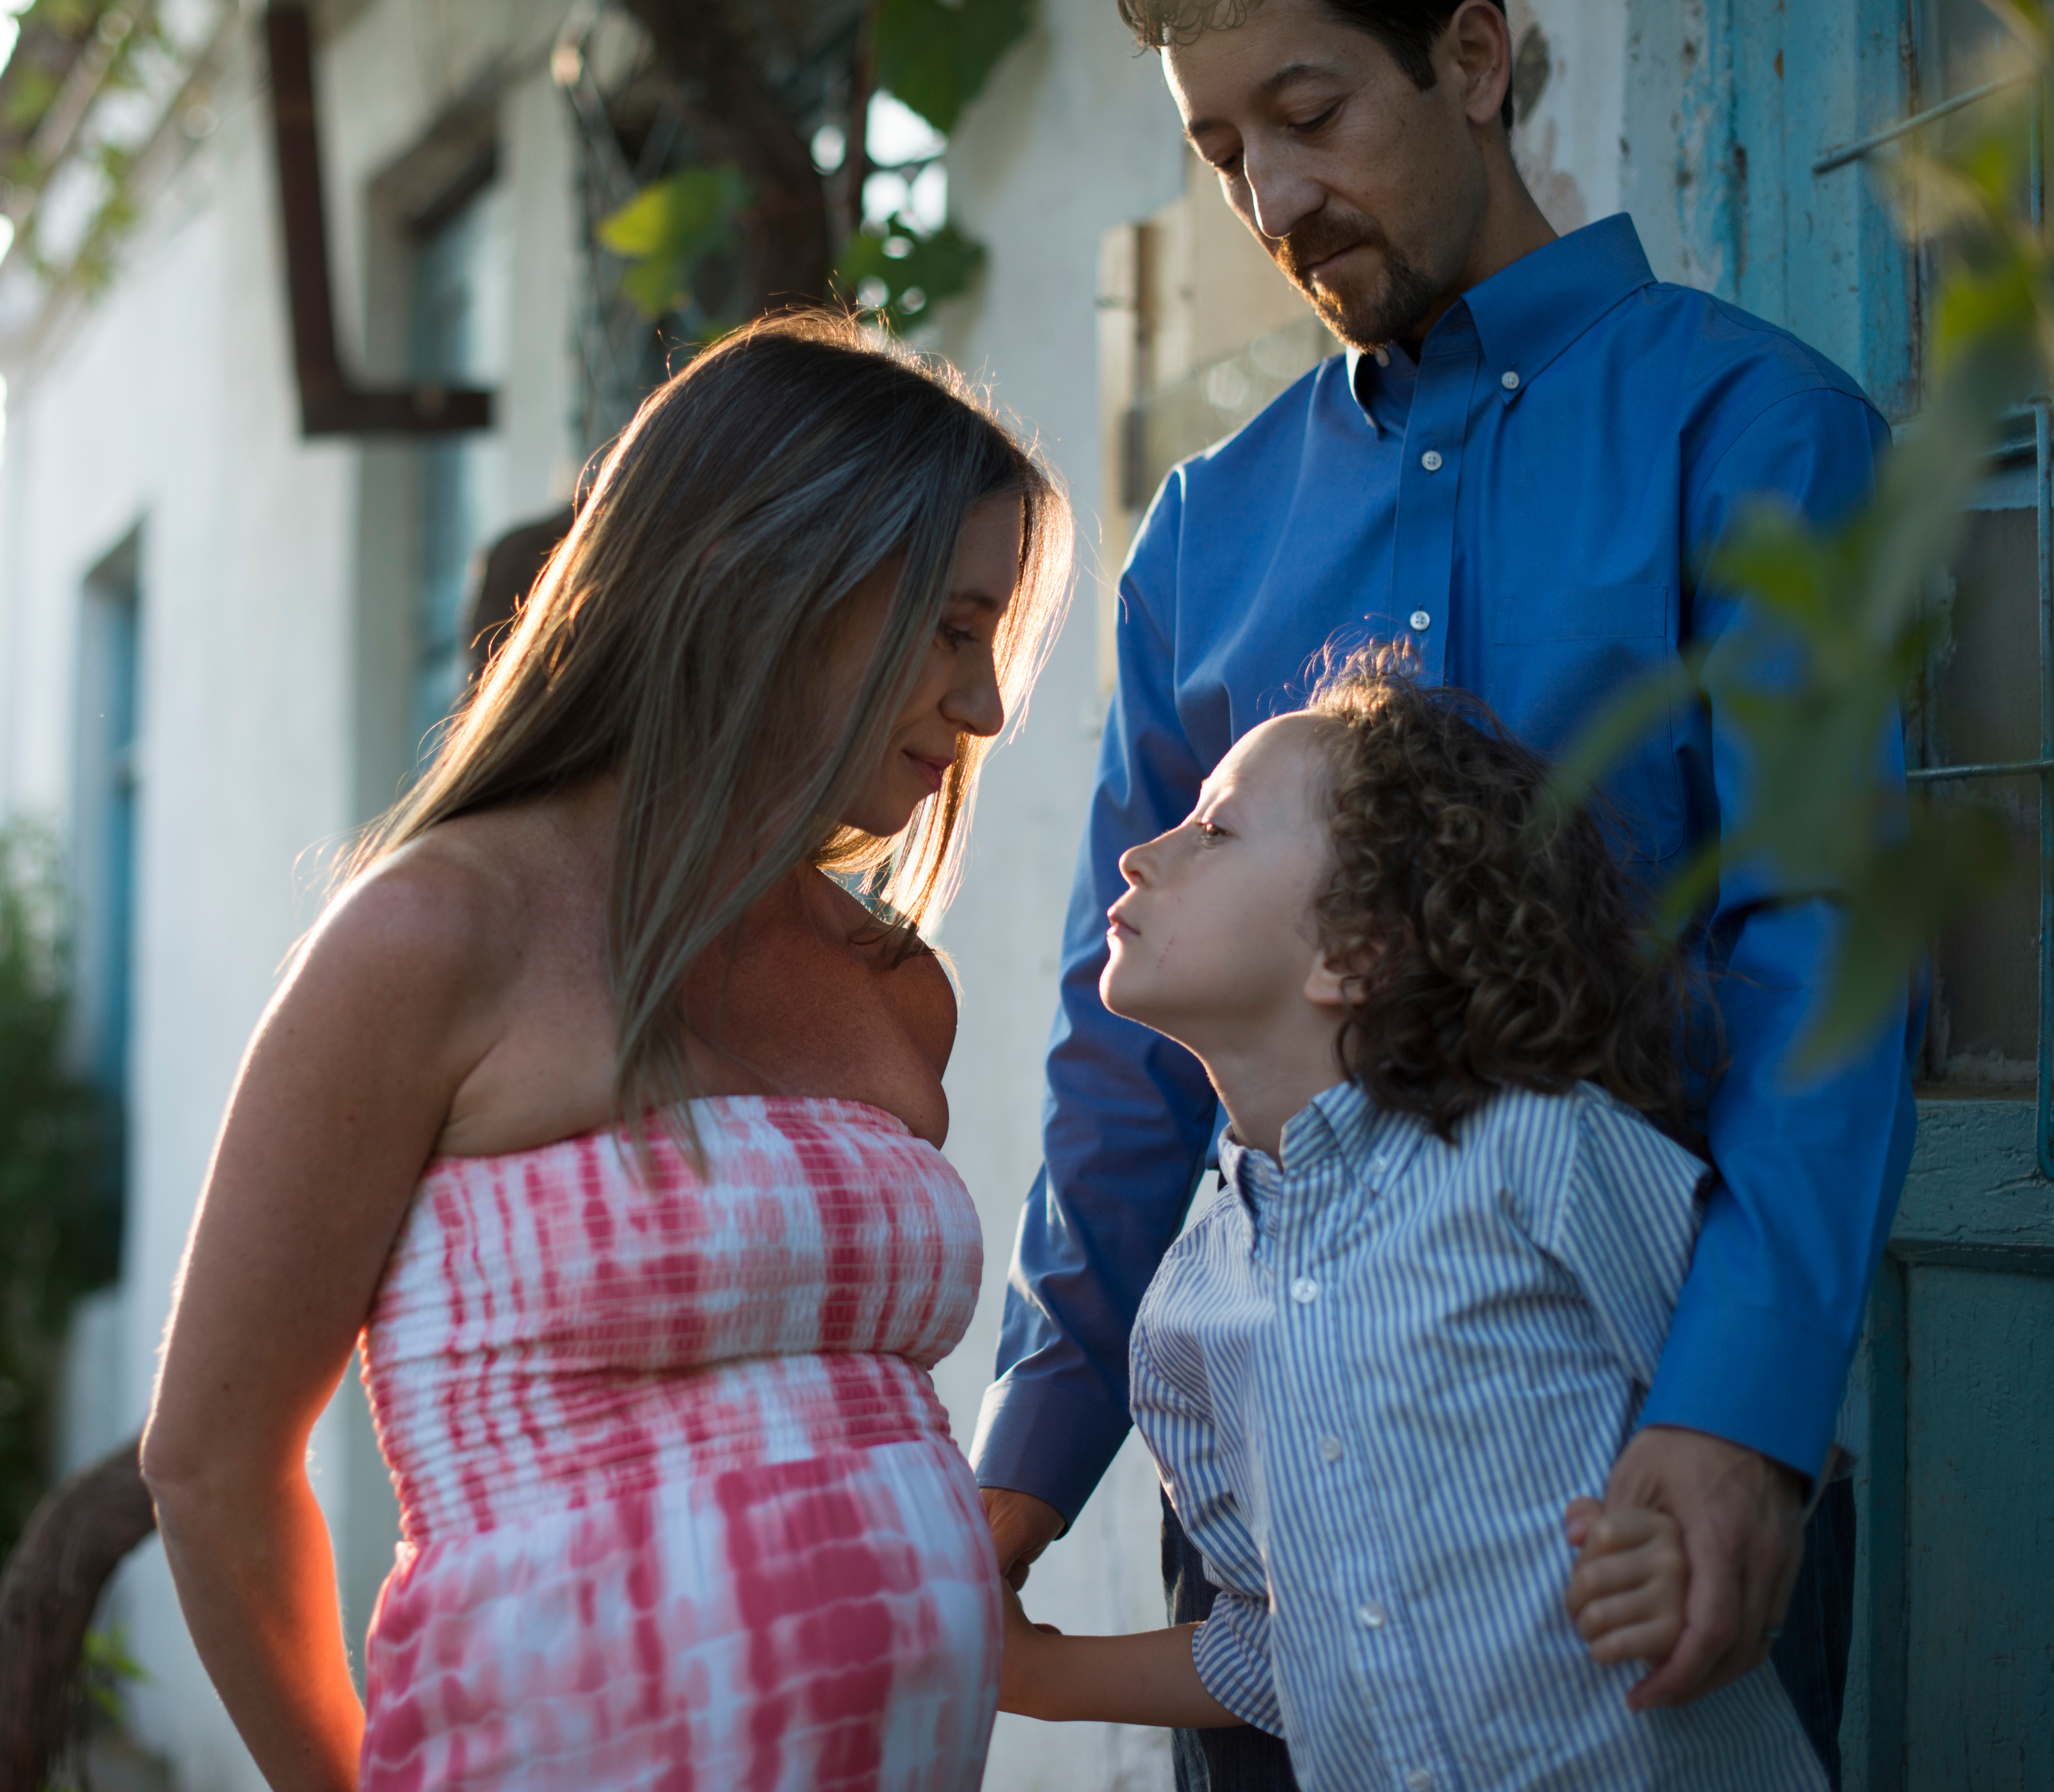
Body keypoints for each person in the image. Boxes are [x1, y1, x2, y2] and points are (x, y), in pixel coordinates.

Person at [971, 2, 1914, 1787]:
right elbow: (1118, 1070)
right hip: (1278, 1548)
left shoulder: (1749, 427)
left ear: (1470, 59)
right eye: (1220, 148)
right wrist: (1014, 1483)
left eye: (1308, 112)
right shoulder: (1201, 534)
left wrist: (1738, 1417)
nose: (1270, 193)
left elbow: (1826, 941)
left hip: (1641, 1496)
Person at [139, 313, 1070, 1792]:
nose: (986, 706)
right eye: (953, 630)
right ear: (770, 581)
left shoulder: (896, 990)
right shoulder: (440, 932)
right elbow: (211, 1462)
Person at [996, 654, 1827, 1790]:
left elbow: (1760, 1424)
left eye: (1217, 830)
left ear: (1361, 951)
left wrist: (1682, 1548)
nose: (1140, 853)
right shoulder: (1186, 1312)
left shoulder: (1545, 1153)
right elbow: (1278, 1643)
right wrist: (1033, 1675)